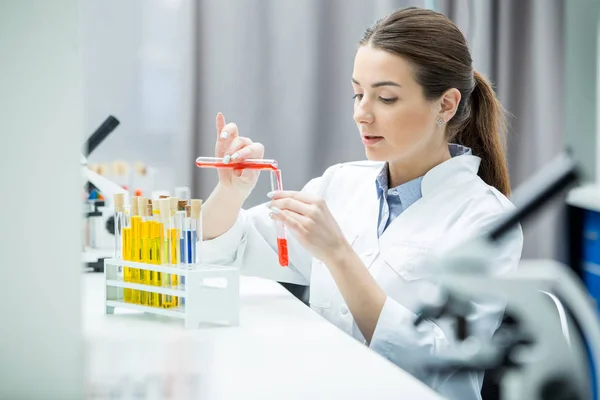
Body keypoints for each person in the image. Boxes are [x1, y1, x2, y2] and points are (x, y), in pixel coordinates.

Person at [200, 7, 523, 400]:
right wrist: (231, 193)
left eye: (386, 98)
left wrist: (339, 255)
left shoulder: (487, 220)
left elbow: (443, 363)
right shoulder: (340, 183)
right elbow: (231, 249)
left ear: (445, 105)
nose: (361, 114)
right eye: (357, 93)